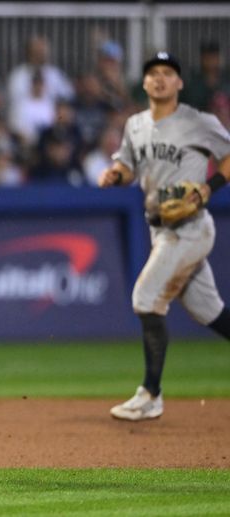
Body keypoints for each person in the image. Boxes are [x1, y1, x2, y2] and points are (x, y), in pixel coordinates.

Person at [98, 52, 230, 421]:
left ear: (179, 83)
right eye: (153, 73)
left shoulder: (198, 122)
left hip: (190, 229)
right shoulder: (136, 125)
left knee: (145, 297)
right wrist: (116, 175)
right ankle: (150, 393)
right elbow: (128, 167)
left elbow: (228, 155)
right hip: (160, 229)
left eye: (168, 73)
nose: (160, 78)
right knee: (211, 312)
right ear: (144, 83)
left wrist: (207, 189)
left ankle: (151, 393)